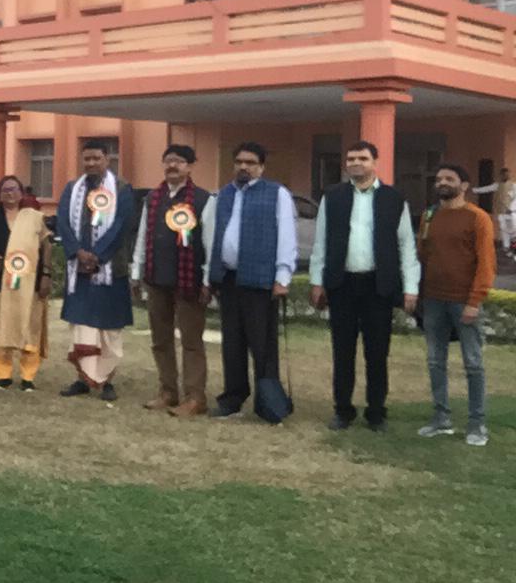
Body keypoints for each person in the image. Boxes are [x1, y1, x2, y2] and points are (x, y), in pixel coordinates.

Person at [308, 141, 420, 432]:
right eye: (351, 158)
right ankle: (343, 410)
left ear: (375, 162)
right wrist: (317, 281)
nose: (355, 163)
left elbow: (406, 245)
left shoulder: (394, 199)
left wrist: (411, 287)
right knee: (342, 352)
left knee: (377, 353)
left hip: (378, 286)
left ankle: (376, 412)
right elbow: (321, 242)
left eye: (362, 158)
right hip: (342, 284)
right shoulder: (333, 197)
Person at [205, 142, 297, 421]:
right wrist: (210, 276)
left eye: (250, 162)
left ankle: (267, 403)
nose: (244, 167)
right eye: (239, 162)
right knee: (232, 343)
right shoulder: (222, 195)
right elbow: (212, 237)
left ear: (262, 167)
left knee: (262, 345)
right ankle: (232, 399)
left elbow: (287, 237)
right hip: (228, 279)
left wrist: (282, 276)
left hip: (260, 281)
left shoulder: (277, 194)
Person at [130, 144, 212, 417]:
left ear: (190, 166)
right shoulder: (153, 198)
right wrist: (136, 272)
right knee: (160, 339)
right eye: (168, 161)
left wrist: (208, 280)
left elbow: (210, 243)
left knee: (191, 341)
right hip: (157, 278)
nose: (172, 166)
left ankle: (195, 397)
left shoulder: (203, 199)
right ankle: (168, 391)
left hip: (189, 280)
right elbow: (143, 236)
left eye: (178, 161)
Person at [416, 163, 496, 447]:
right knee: (435, 361)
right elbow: (422, 255)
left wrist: (475, 301)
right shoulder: (429, 216)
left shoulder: (478, 218)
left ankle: (476, 423)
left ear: (464, 186)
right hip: (433, 300)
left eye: (449, 179)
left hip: (464, 301)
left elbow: (486, 264)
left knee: (473, 364)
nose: (442, 183)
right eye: (439, 179)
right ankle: (441, 418)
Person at [58, 139, 136, 401]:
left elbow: (122, 225)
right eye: (87, 159)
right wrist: (77, 252)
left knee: (109, 329)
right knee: (81, 325)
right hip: (78, 271)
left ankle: (107, 380)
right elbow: (63, 223)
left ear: (107, 160)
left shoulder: (122, 189)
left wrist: (98, 255)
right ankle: (83, 378)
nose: (91, 163)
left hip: (111, 271)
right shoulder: (72, 189)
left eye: (96, 158)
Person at [0, 175, 52, 391]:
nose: (9, 193)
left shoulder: (35, 217)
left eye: (13, 189)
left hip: (30, 282)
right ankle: (3, 375)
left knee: (30, 326)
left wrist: (46, 274)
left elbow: (47, 246)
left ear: (21, 193)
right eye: (4, 190)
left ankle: (28, 376)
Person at [473, 166, 514, 257]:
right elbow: (485, 189)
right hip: (501, 211)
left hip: (511, 212)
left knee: (512, 230)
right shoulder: (497, 185)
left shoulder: (513, 186)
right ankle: (506, 247)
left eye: (507, 174)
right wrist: (474, 190)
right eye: (503, 174)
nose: (505, 176)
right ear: (501, 175)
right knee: (503, 229)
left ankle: (512, 247)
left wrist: (511, 208)